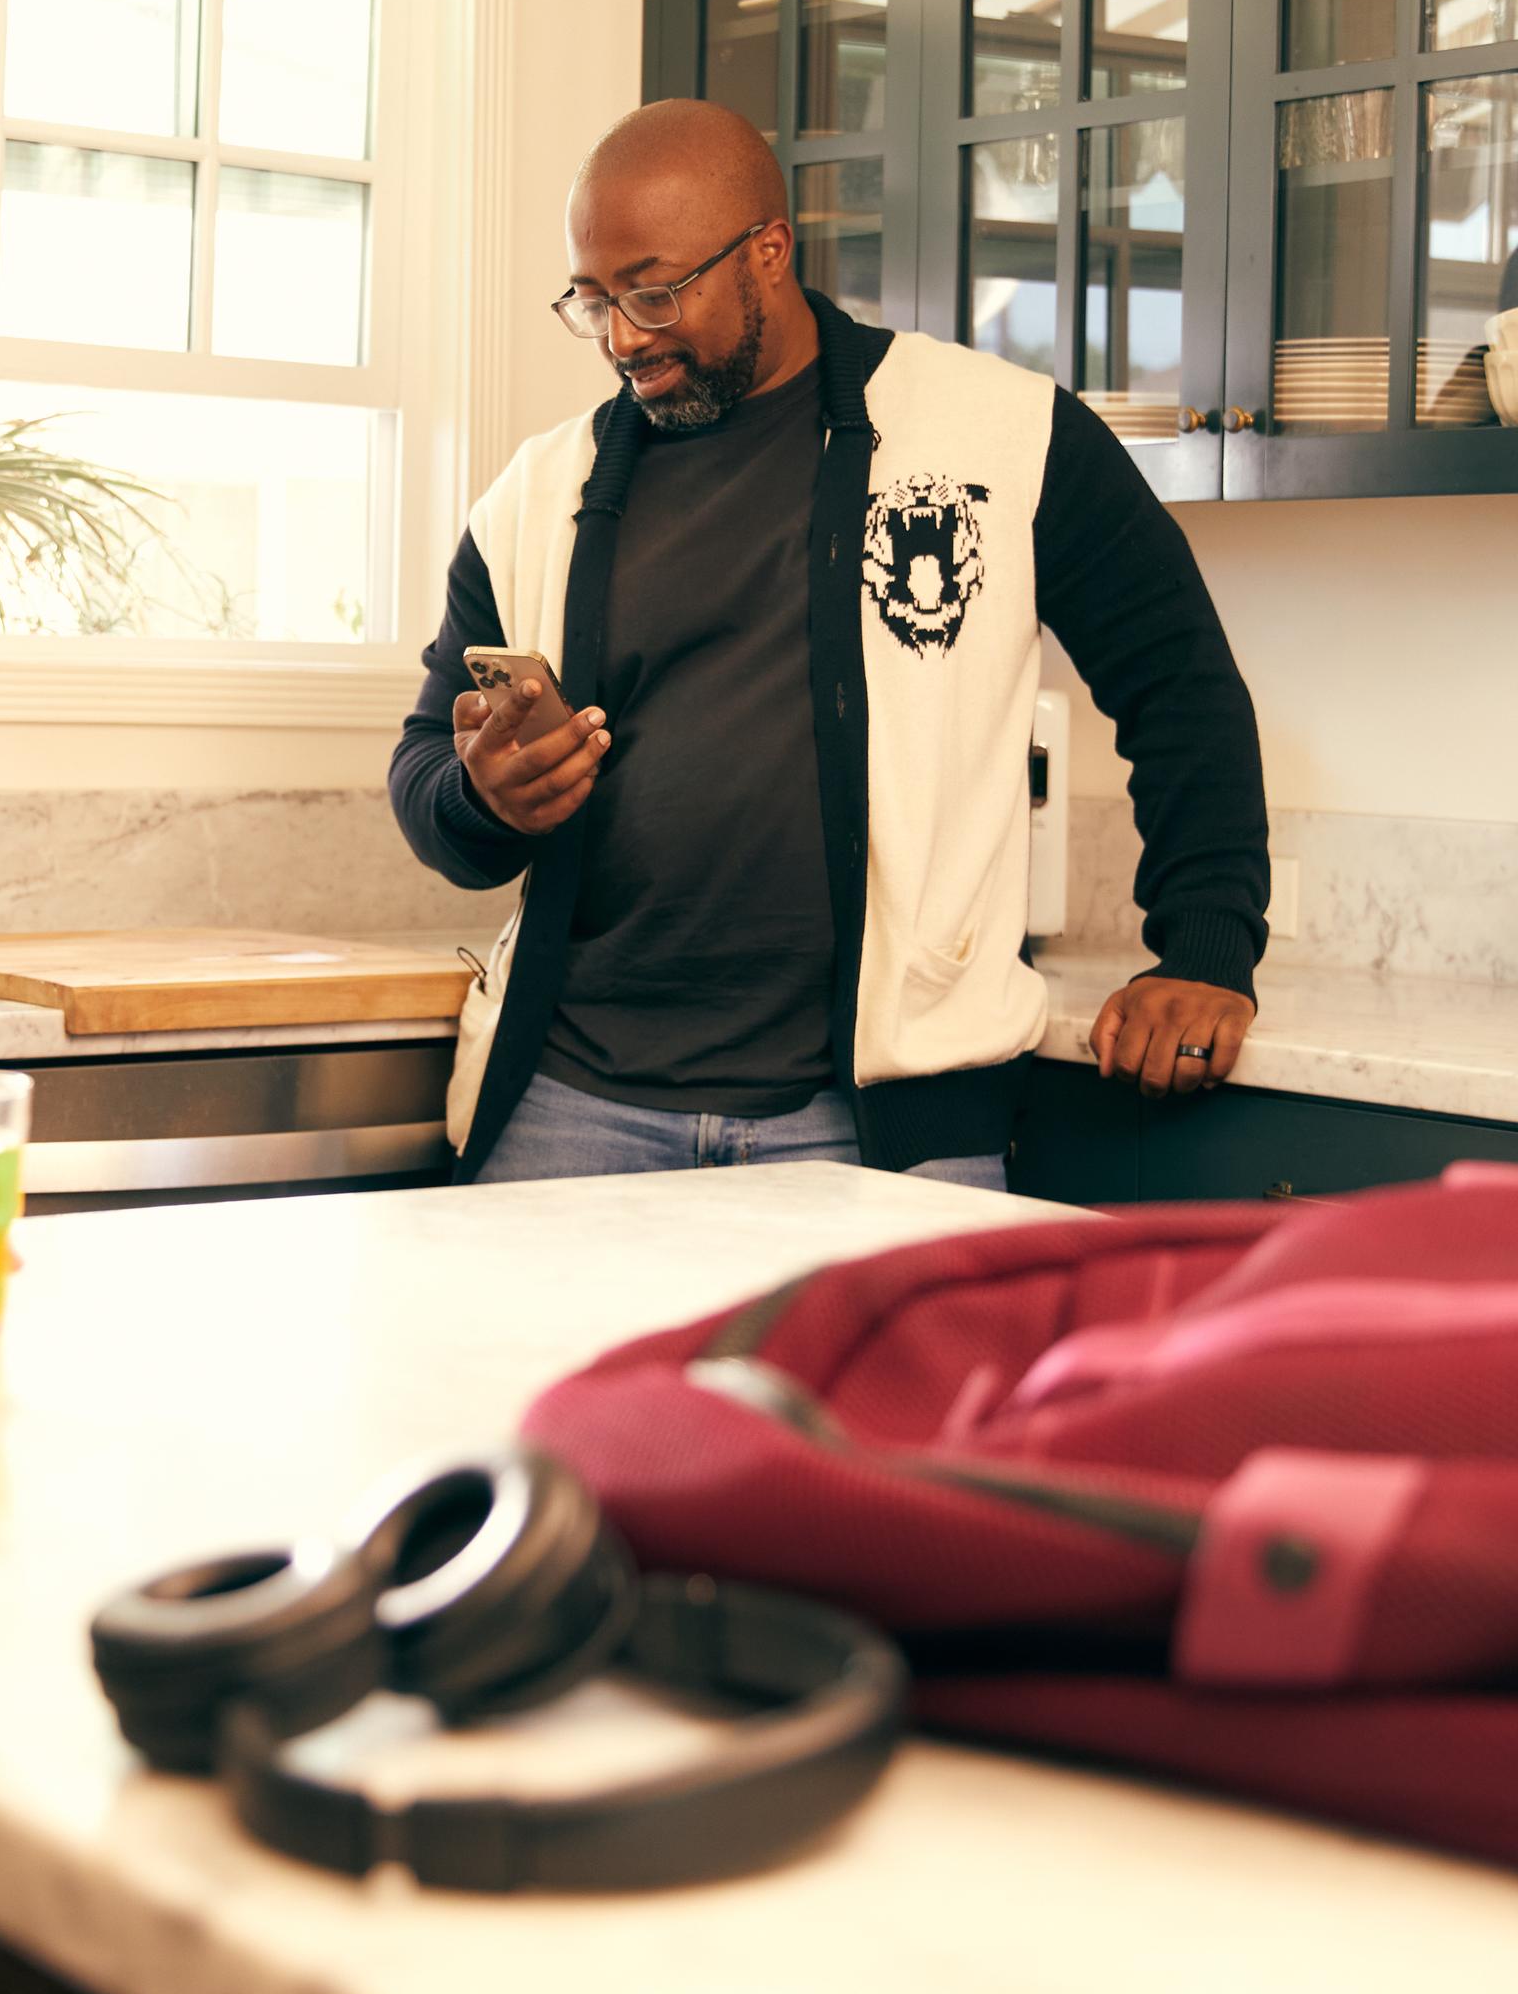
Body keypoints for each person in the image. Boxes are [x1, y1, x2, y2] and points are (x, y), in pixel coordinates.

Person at [389, 100, 1268, 1186]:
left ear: (767, 253)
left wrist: (1207, 950)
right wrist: (483, 797)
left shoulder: (1005, 436)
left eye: (655, 292)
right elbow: (427, 767)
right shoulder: (533, 497)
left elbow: (1179, 685)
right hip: (576, 1109)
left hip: (888, 1130)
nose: (623, 336)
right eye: (594, 299)